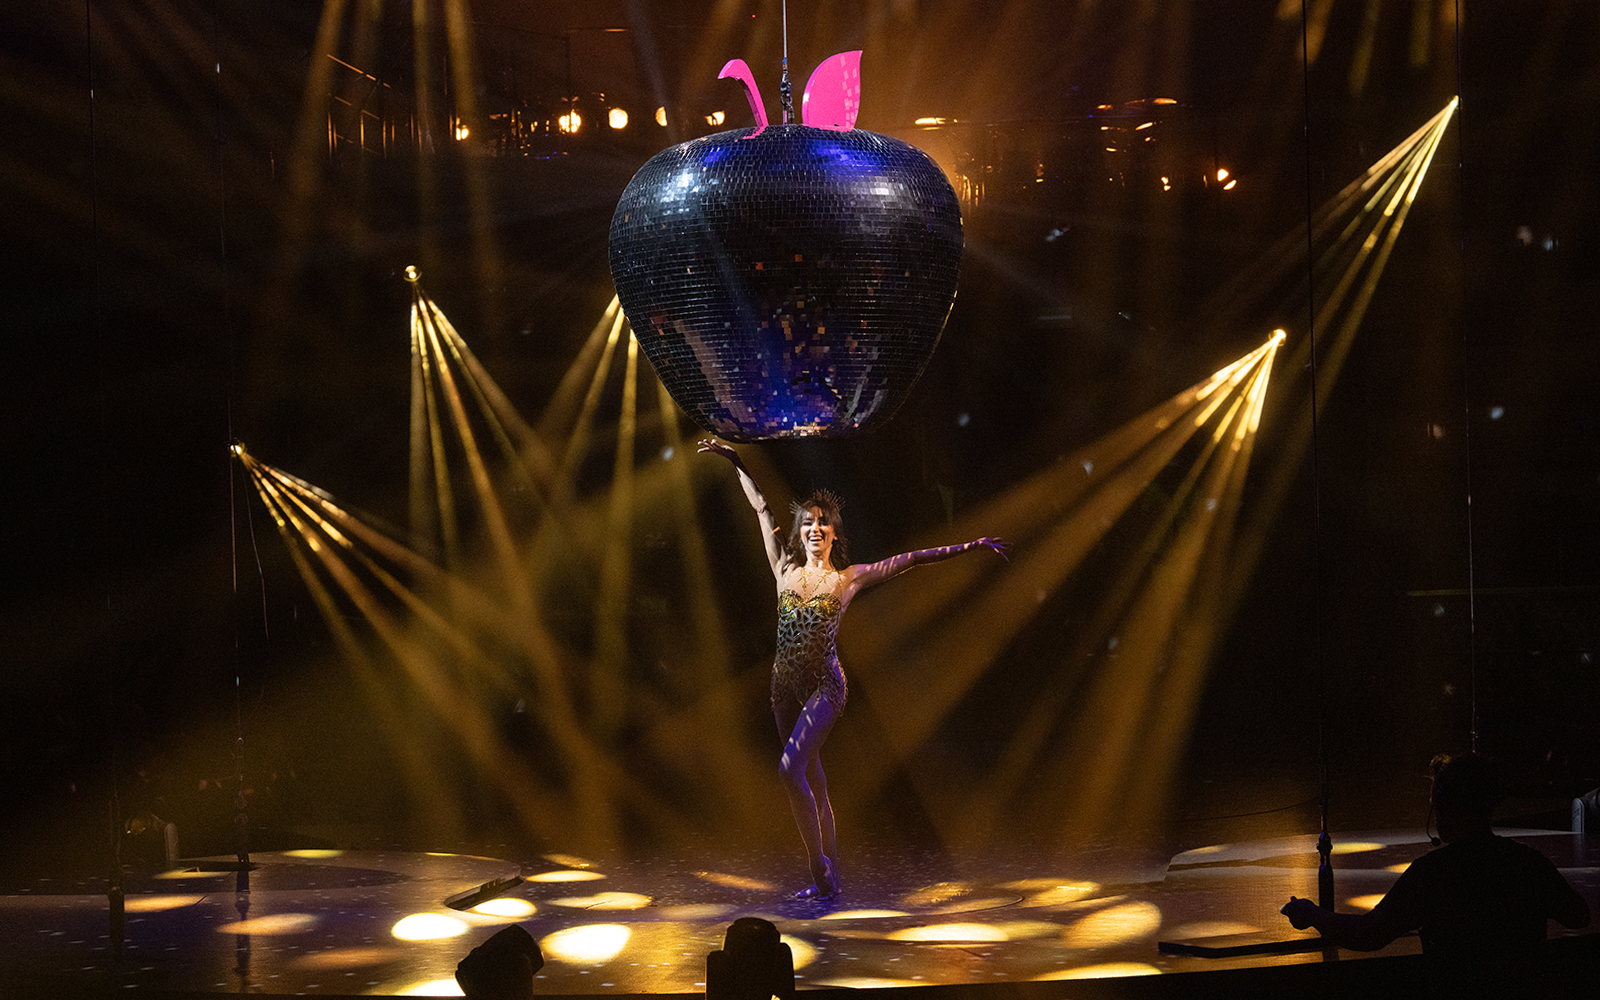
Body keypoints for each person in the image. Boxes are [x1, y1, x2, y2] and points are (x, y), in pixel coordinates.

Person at [699, 438, 1008, 900]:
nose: (815, 527)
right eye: (808, 522)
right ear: (800, 532)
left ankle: (819, 867)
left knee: (789, 770)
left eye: (823, 522)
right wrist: (736, 460)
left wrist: (970, 545)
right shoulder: (783, 568)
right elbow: (761, 508)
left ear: (833, 535)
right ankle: (833, 879)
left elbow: (909, 560)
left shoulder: (847, 579)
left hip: (825, 687)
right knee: (814, 779)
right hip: (783, 688)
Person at [1281, 753, 1590, 999]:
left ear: (1442, 807)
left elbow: (1368, 934)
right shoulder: (1527, 863)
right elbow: (1578, 916)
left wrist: (1312, 913)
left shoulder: (1431, 874)